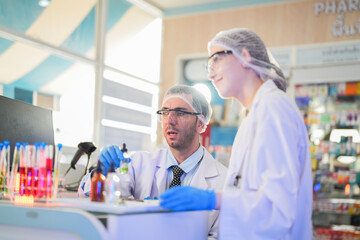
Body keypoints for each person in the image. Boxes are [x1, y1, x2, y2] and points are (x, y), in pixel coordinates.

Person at [160, 28, 313, 240]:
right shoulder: (253, 114)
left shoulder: (273, 108)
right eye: (208, 65)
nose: (210, 73)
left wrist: (212, 199)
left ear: (245, 56)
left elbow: (276, 206)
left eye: (216, 59)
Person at [78, 85, 228, 240]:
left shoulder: (224, 181)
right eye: (165, 112)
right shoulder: (138, 163)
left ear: (201, 123)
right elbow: (94, 200)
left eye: (180, 113)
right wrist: (100, 173)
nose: (170, 120)